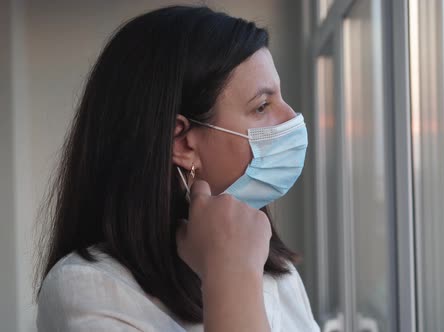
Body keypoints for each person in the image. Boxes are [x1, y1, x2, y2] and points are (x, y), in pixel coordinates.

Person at [35, 5, 320, 332]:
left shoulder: (275, 270)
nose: (292, 117)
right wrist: (231, 276)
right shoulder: (87, 289)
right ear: (182, 143)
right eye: (261, 106)